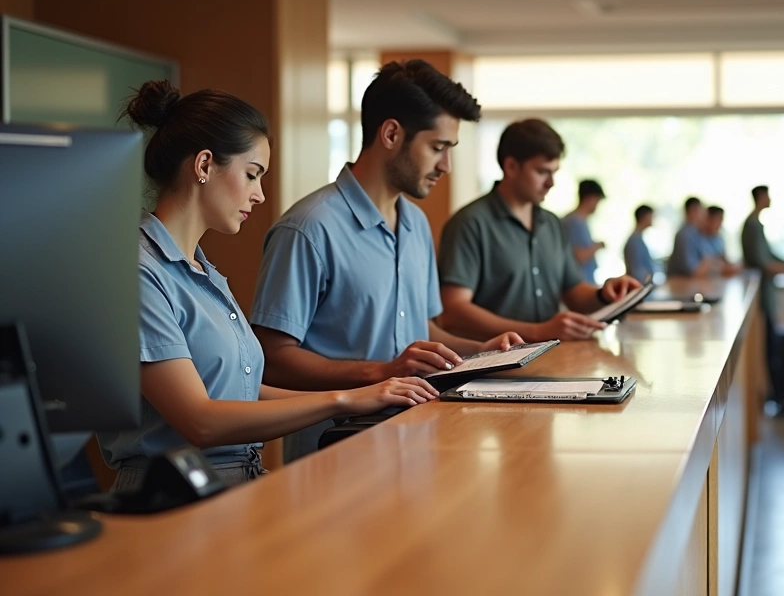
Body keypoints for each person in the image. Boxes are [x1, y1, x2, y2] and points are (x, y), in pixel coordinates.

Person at [99, 80, 433, 488]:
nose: (259, 195)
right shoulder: (138, 271)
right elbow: (200, 420)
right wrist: (345, 396)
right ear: (204, 165)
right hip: (170, 495)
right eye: (252, 174)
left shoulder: (204, 273)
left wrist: (372, 393)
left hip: (235, 484)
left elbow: (243, 389)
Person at [250, 60, 522, 462]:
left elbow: (422, 330)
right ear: (392, 134)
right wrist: (380, 371)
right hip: (334, 459)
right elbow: (271, 359)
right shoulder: (309, 228)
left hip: (418, 449)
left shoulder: (415, 223)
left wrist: (480, 352)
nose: (445, 165)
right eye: (438, 147)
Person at [438, 118, 642, 342]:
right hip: (491, 367)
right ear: (511, 166)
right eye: (542, 172)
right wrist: (538, 331)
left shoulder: (552, 224)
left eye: (554, 172)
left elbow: (573, 292)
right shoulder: (470, 223)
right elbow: (453, 312)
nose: (551, 182)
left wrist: (604, 293)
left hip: (553, 358)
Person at [740, 185, 784, 384]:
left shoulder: (756, 225)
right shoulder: (752, 226)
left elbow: (770, 257)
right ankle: (775, 392)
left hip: (767, 292)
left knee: (773, 344)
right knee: (770, 346)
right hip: (761, 294)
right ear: (761, 197)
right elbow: (765, 263)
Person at [562, 179, 606, 284]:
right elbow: (578, 256)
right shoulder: (573, 222)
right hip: (579, 283)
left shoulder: (581, 221)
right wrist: (598, 246)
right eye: (597, 201)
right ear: (590, 198)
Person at [668, 197, 718, 277]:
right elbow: (692, 271)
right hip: (681, 284)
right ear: (693, 211)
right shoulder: (685, 235)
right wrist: (710, 263)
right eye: (702, 211)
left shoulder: (697, 233)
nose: (705, 215)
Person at [700, 205, 742, 277]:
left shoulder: (719, 239)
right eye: (718, 219)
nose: (720, 224)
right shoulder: (697, 238)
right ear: (708, 219)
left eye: (721, 220)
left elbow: (723, 259)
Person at [624, 205, 657, 282]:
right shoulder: (634, 242)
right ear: (644, 217)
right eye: (651, 216)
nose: (653, 219)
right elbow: (636, 270)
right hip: (640, 285)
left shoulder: (638, 239)